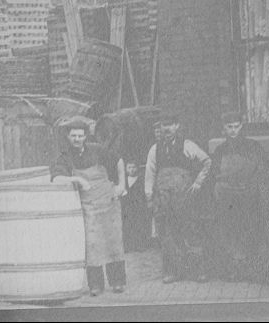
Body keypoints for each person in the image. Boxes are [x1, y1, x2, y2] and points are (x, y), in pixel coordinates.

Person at [51, 117, 127, 296]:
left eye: (80, 135)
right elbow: (56, 178)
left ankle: (118, 282)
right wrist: (76, 179)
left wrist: (121, 186)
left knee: (113, 242)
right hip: (88, 207)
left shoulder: (97, 150)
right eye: (73, 136)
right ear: (68, 137)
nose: (77, 139)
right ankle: (96, 285)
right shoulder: (64, 157)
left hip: (109, 202)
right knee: (92, 246)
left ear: (86, 136)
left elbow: (119, 161)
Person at [145, 113, 212, 284]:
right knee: (167, 234)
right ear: (160, 127)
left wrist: (198, 182)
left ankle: (198, 271)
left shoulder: (187, 145)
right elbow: (150, 173)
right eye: (163, 125)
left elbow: (207, 161)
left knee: (190, 231)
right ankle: (173, 272)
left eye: (171, 124)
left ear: (177, 126)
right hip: (163, 199)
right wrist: (149, 195)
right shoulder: (155, 149)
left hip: (184, 198)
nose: (166, 128)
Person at [210, 110, 265, 281]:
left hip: (248, 196)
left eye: (236, 127)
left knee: (248, 230)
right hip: (228, 199)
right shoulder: (220, 151)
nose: (233, 130)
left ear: (241, 127)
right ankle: (234, 269)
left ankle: (250, 269)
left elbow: (260, 171)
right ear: (224, 129)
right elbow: (214, 175)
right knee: (229, 231)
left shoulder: (253, 147)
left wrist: (252, 189)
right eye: (229, 127)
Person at [121, 161, 153, 252]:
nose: (131, 170)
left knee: (139, 225)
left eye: (133, 167)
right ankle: (128, 246)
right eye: (129, 167)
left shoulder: (141, 180)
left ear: (137, 168)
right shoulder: (124, 181)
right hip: (127, 208)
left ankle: (140, 245)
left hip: (139, 207)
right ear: (126, 169)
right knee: (127, 226)